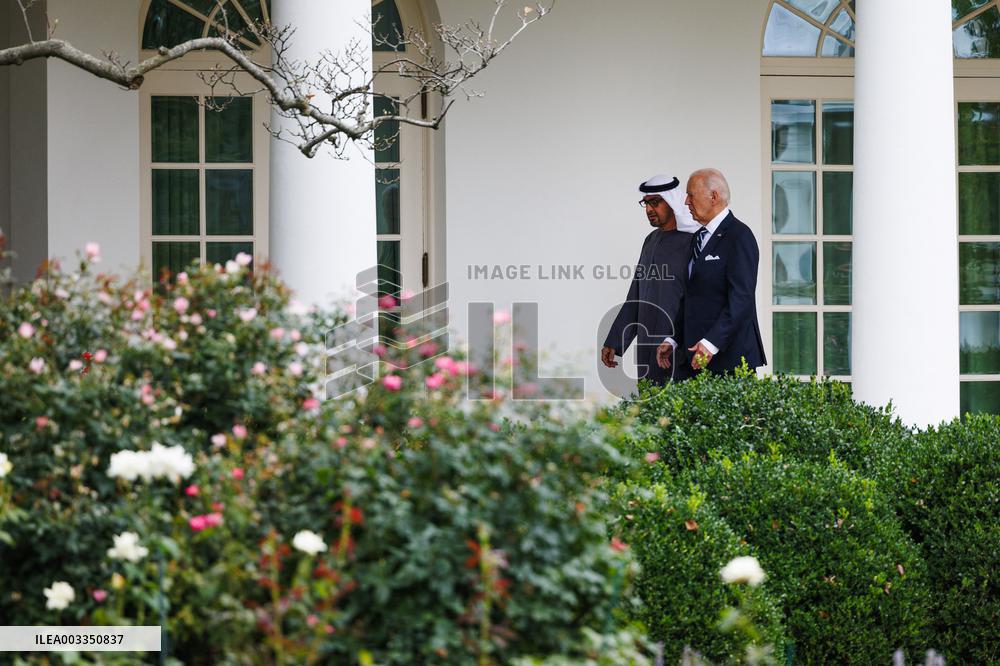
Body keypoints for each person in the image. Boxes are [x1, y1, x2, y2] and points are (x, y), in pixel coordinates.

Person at [657, 168, 765, 374]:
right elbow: (691, 297)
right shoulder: (698, 237)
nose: (686, 202)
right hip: (693, 356)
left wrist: (711, 343)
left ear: (713, 196)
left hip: (728, 359)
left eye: (691, 195)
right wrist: (673, 339)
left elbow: (741, 299)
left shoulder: (739, 235)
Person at [601, 174, 698, 384]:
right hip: (647, 349)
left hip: (679, 348)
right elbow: (636, 296)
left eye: (655, 203)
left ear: (672, 202)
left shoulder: (693, 241)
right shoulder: (650, 241)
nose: (649, 210)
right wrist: (616, 342)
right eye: (645, 204)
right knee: (650, 410)